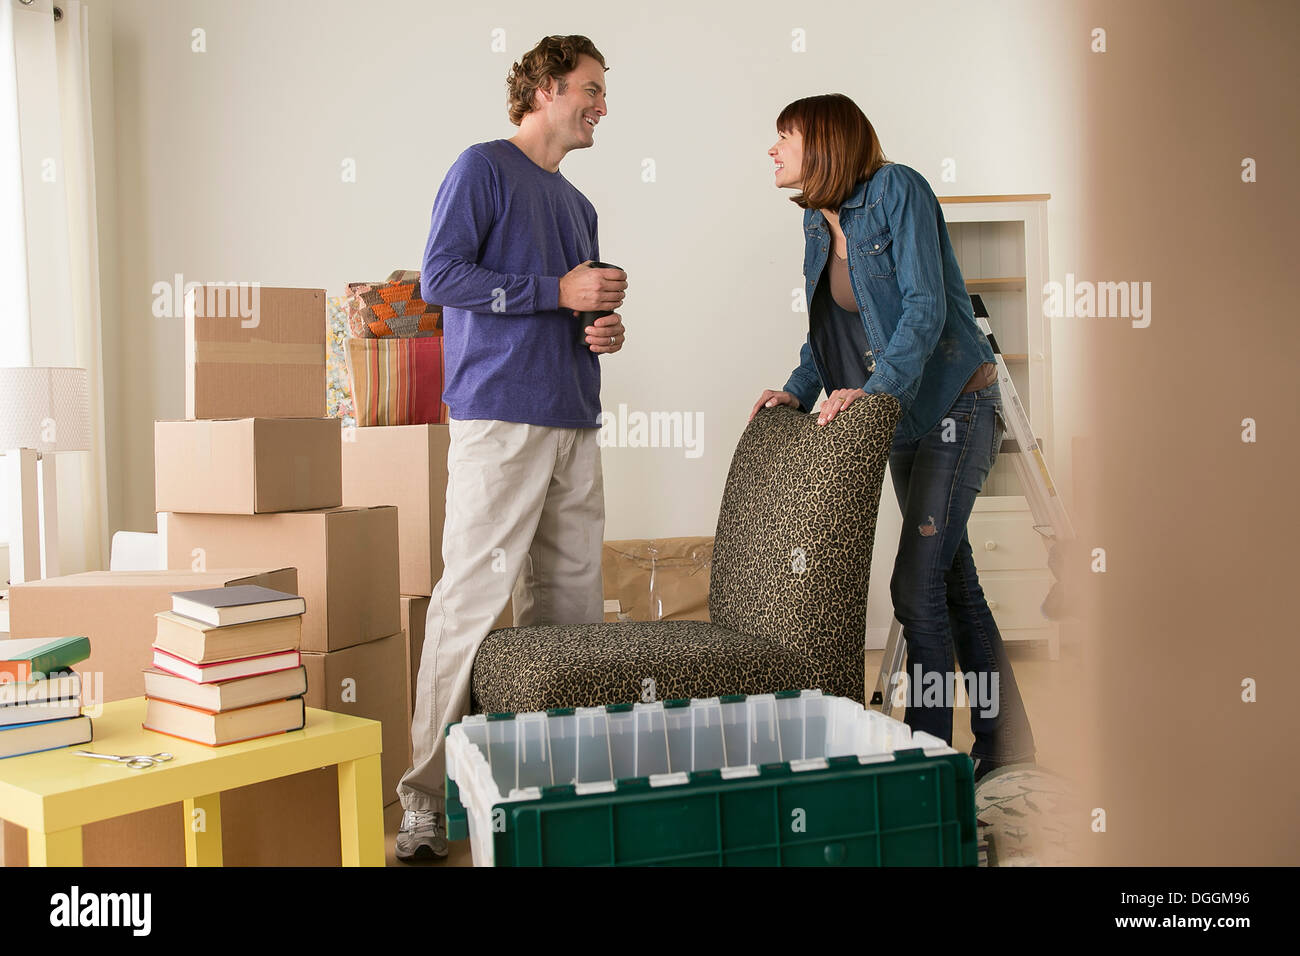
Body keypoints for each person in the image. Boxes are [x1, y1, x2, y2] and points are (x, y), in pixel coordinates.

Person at [749, 93, 1036, 782]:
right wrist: (797, 388)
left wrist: (873, 395)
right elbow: (831, 334)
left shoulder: (896, 190)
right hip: (900, 420)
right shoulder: (820, 225)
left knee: (915, 587)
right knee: (954, 584)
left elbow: (925, 307)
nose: (772, 149)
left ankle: (926, 764)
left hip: (956, 408)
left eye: (783, 136)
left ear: (822, 142)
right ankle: (1008, 747)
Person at [396, 35, 628, 861]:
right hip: (499, 419)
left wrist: (599, 326)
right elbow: (440, 278)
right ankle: (423, 800)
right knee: (472, 605)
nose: (603, 103)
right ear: (545, 87)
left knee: (572, 615)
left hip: (574, 416)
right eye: (592, 88)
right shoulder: (481, 167)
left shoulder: (578, 206)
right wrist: (553, 290)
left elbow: (571, 308)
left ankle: (553, 790)